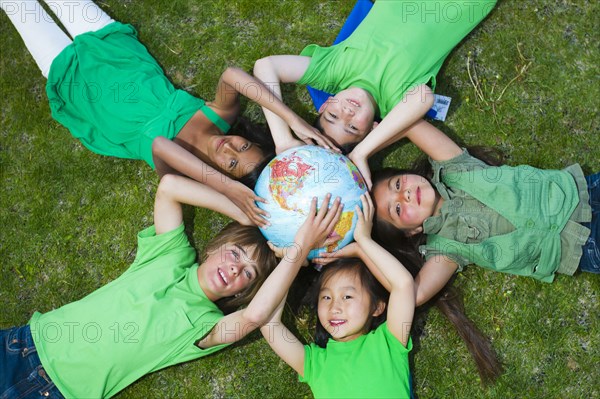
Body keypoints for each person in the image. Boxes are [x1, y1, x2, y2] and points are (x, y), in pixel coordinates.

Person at [0, 172, 343, 399]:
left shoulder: (204, 325)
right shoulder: (171, 255)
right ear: (214, 247)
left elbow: (254, 317)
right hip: (23, 342)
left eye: (249, 274)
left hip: (53, 391)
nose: (235, 268)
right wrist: (248, 218)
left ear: (242, 291)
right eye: (235, 253)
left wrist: (296, 252)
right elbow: (168, 188)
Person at [1, 0, 337, 226]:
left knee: (18, 6)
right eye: (244, 146)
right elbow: (233, 75)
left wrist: (228, 190)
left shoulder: (185, 169)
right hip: (120, 55)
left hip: (85, 93)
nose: (231, 148)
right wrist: (291, 120)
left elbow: (160, 145)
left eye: (232, 164)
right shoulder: (219, 119)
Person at [253, 0, 497, 187]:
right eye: (353, 127)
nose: (347, 113)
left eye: (333, 116)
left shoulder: (331, 72)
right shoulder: (394, 102)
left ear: (326, 103)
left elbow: (265, 66)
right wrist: (362, 152)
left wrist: (284, 138)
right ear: (373, 129)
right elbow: (424, 97)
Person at [370, 119, 598, 307]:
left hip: (579, 192)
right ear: (411, 232)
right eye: (397, 209)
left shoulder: (453, 169)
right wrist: (361, 243)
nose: (404, 196)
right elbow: (412, 296)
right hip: (579, 247)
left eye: (397, 184)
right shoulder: (445, 248)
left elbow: (411, 125)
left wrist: (363, 151)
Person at [260, 193, 416, 399]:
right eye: (326, 297)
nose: (335, 307)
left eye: (348, 297)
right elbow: (268, 322)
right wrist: (293, 258)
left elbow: (403, 285)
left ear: (378, 307)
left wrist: (364, 243)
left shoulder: (389, 342)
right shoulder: (315, 364)